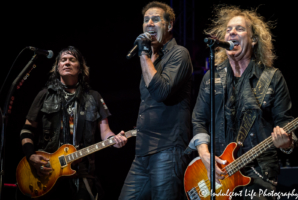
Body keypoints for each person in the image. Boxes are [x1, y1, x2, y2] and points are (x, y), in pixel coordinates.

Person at [188, 5, 298, 200]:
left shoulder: (272, 78)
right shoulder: (212, 77)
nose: (232, 32)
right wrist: (205, 155)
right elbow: (198, 120)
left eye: (239, 29)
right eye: (229, 29)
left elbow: (285, 123)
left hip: (259, 173)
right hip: (219, 174)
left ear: (254, 40)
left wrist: (286, 143)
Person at [18, 46, 127, 200]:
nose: (67, 63)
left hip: (82, 171)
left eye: (72, 60)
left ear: (81, 68)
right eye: (63, 60)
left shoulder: (94, 97)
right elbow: (26, 131)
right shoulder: (44, 95)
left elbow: (106, 132)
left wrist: (114, 140)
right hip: (47, 169)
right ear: (57, 68)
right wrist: (30, 156)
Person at [119, 1, 193, 200]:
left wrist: (143, 53)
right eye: (146, 20)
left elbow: (161, 92)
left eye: (156, 19)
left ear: (169, 26)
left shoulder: (179, 54)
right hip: (143, 151)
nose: (149, 23)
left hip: (168, 149)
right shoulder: (151, 59)